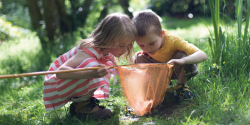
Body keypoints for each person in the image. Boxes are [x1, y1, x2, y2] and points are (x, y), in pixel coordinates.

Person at [43, 13, 137, 120]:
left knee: (101, 66)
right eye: (121, 46)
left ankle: (80, 104)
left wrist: (130, 73)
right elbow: (60, 73)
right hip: (55, 85)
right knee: (93, 66)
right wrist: (91, 73)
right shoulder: (89, 51)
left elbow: (116, 69)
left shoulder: (107, 50)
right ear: (108, 38)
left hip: (67, 83)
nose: (125, 50)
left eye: (128, 45)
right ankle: (83, 109)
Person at [132, 10, 207, 102]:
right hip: (162, 70)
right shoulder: (148, 46)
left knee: (182, 54)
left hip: (178, 69)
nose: (147, 49)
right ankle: (161, 87)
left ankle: (182, 86)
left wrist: (182, 60)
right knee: (138, 58)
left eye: (151, 43)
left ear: (161, 34)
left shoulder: (173, 41)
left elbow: (203, 55)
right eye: (141, 45)